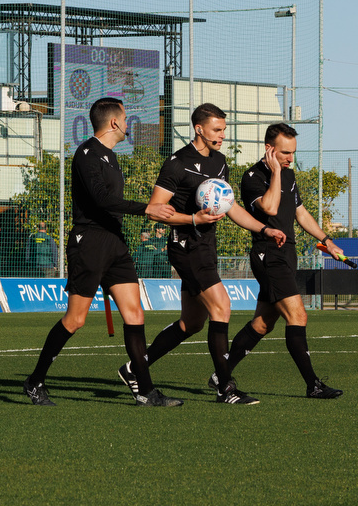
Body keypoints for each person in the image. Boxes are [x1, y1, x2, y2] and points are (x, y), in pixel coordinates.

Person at [24, 98, 179, 406]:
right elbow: (101, 199)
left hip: (115, 244)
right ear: (113, 123)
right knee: (75, 320)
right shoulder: (86, 154)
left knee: (135, 314)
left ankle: (146, 391)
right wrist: (147, 209)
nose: (128, 123)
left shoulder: (111, 157)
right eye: (126, 118)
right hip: (90, 243)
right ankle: (34, 381)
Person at [138, 103, 284, 405]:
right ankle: (225, 388)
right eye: (217, 130)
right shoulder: (177, 163)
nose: (222, 135)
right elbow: (155, 211)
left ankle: (135, 368)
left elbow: (229, 206)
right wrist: (193, 219)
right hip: (184, 247)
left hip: (206, 247)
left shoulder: (219, 161)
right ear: (199, 129)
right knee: (222, 307)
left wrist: (263, 229)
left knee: (191, 323)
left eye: (224, 130)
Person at [218, 124, 344, 398]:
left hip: (287, 255)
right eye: (285, 153)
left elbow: (300, 213)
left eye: (293, 153)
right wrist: (275, 172)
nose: (290, 158)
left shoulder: (289, 174)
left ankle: (222, 372)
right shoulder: (252, 177)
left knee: (263, 324)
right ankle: (313, 385)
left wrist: (327, 240)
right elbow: (271, 208)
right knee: (298, 314)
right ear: (269, 149)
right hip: (268, 255)